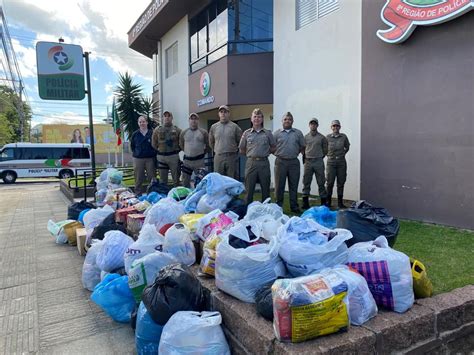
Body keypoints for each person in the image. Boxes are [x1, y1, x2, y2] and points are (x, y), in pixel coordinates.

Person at [239, 108, 276, 205]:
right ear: (251, 119)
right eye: (255, 117)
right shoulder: (246, 133)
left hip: (264, 162)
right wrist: (252, 154)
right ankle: (247, 210)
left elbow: (273, 147)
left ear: (262, 119)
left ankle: (266, 210)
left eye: (259, 117)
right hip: (251, 163)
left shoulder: (268, 133)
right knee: (249, 189)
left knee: (265, 188)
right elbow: (242, 149)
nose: (257, 119)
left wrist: (263, 153)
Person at [273, 112, 305, 213]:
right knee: (279, 186)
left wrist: (294, 153)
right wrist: (279, 154)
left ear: (292, 121)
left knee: (293, 186)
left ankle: (294, 206)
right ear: (282, 121)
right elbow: (272, 147)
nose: (287, 121)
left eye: (289, 119)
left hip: (293, 163)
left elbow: (302, 146)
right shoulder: (277, 133)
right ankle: (278, 207)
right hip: (280, 162)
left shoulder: (298, 133)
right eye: (285, 119)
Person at [209, 105, 242, 179]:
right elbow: (211, 142)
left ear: (229, 114)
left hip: (231, 157)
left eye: (225, 112)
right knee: (218, 180)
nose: (223, 114)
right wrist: (218, 149)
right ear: (219, 114)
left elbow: (240, 141)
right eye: (221, 112)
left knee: (232, 179)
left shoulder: (235, 127)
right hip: (218, 157)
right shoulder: (214, 127)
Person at [302, 118, 329, 208]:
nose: (313, 125)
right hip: (308, 162)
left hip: (318, 161)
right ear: (309, 125)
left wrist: (319, 156)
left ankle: (323, 202)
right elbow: (303, 149)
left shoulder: (322, 137)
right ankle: (305, 202)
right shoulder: (305, 137)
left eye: (315, 124)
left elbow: (325, 150)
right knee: (306, 182)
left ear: (317, 125)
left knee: (321, 182)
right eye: (311, 124)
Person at [179, 113, 210, 188]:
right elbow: (181, 144)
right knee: (185, 181)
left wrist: (202, 153)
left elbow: (209, 145)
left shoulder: (204, 132)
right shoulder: (183, 132)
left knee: (201, 181)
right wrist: (188, 152)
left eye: (195, 119)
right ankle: (185, 197)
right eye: (191, 119)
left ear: (198, 120)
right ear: (189, 120)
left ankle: (200, 198)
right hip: (187, 162)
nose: (193, 121)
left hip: (199, 161)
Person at [151, 111, 182, 186]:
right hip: (162, 157)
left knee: (176, 178)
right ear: (163, 118)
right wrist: (159, 151)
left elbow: (182, 142)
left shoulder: (178, 130)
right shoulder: (157, 130)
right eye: (165, 116)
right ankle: (164, 194)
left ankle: (176, 195)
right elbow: (154, 143)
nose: (167, 118)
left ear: (172, 118)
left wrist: (178, 150)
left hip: (173, 156)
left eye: (169, 116)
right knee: (162, 180)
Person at [326, 119, 350, 208]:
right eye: (334, 126)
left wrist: (342, 154)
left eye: (337, 126)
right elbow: (324, 148)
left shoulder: (343, 137)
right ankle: (328, 202)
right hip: (331, 162)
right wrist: (329, 155)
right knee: (329, 182)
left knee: (341, 182)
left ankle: (340, 202)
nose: (335, 127)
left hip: (341, 163)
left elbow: (347, 147)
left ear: (340, 127)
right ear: (331, 127)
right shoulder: (327, 137)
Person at [130, 116, 157, 195]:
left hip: (150, 159)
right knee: (138, 178)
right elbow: (132, 146)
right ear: (138, 123)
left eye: (143, 121)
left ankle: (153, 193)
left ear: (147, 122)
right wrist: (137, 153)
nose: (142, 123)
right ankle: (138, 194)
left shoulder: (152, 133)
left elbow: (156, 144)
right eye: (140, 122)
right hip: (138, 159)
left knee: (152, 177)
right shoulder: (135, 134)